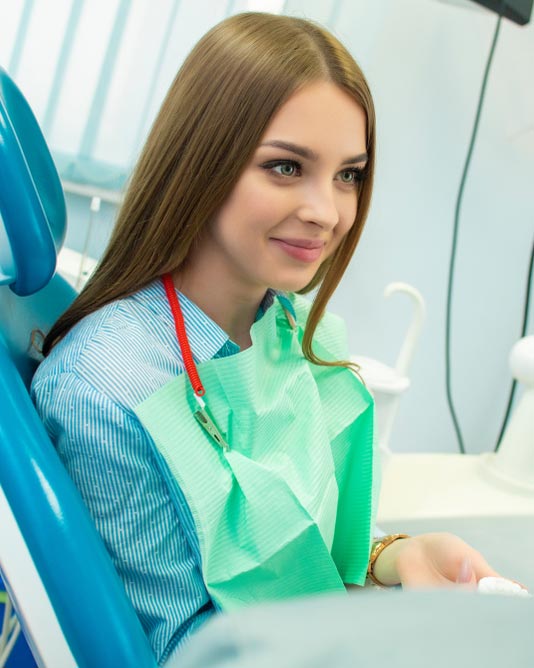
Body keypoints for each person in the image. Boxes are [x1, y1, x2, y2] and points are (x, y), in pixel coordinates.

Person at [31, 12, 505, 666]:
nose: (328, 211)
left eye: (349, 174)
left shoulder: (283, 328)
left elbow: (299, 542)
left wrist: (396, 557)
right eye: (286, 167)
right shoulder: (106, 388)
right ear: (201, 160)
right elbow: (174, 650)